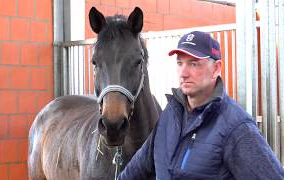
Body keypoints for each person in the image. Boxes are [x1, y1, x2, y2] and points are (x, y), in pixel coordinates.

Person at [117, 31, 284, 179]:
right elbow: (136, 169)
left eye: (193, 63)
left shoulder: (237, 127)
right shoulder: (170, 114)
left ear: (216, 68)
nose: (183, 73)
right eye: (180, 63)